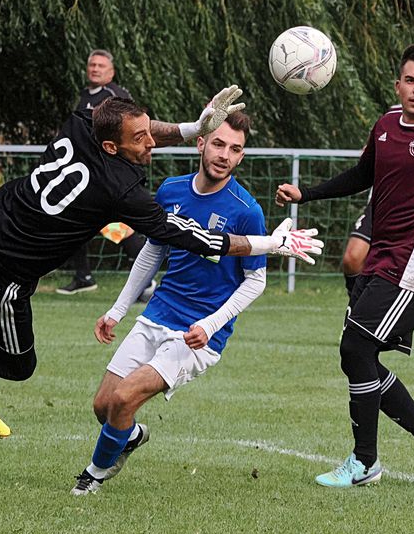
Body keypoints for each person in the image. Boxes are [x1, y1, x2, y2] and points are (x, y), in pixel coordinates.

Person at [0, 90, 323, 438]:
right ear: (114, 149)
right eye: (139, 140)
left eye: (149, 134)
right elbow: (198, 240)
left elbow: (131, 121)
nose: (150, 143)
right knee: (18, 364)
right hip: (6, 272)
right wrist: (269, 244)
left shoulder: (83, 122)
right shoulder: (120, 189)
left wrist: (189, 129)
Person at [275, 44, 414, 489]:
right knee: (358, 355)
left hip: (412, 270)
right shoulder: (385, 126)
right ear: (398, 85)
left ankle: (366, 461)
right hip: (380, 261)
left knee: (356, 351)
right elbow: (362, 177)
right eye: (410, 81)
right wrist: (308, 194)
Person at [71, 111, 281, 495]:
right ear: (200, 143)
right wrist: (118, 309)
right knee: (104, 406)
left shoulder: (246, 210)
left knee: (123, 398)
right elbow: (152, 252)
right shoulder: (171, 190)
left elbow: (256, 281)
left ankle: (92, 476)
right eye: (218, 143)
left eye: (235, 149)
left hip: (196, 333)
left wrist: (210, 325)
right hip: (158, 313)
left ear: (241, 158)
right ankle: (130, 436)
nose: (224, 154)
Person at [58, 49, 145, 295]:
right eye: (92, 65)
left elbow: (133, 132)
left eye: (101, 66)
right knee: (75, 219)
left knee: (115, 225)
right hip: (84, 173)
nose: (95, 69)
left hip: (107, 174)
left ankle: (145, 280)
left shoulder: (115, 97)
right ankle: (83, 276)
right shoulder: (85, 95)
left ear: (111, 72)